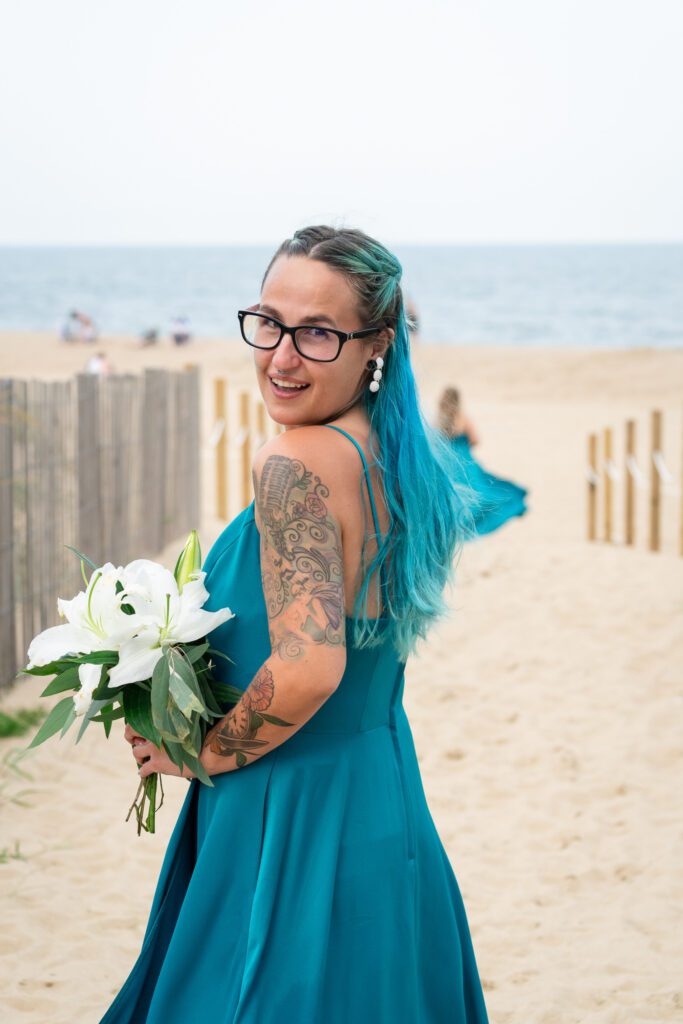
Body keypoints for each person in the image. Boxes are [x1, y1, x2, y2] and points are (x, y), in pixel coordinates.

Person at [99, 226, 490, 1023]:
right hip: (381, 796)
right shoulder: (403, 460)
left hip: (288, 805)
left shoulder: (298, 461)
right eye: (268, 322)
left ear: (375, 344)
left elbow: (310, 667)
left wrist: (197, 753)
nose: (280, 356)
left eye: (316, 332)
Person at [437, 385, 529, 537]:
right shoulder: (462, 419)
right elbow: (475, 440)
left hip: (449, 462)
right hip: (464, 460)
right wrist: (464, 445)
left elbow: (437, 443)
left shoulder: (439, 419)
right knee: (483, 489)